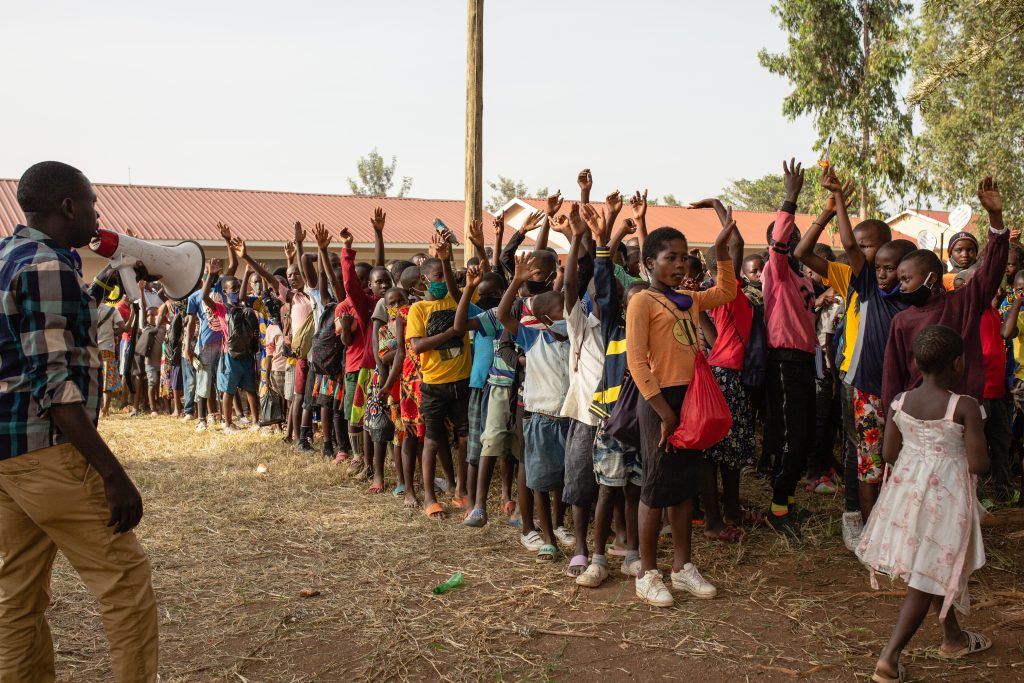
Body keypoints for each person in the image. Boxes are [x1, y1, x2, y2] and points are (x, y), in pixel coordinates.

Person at [0, 161, 157, 680]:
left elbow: (37, 334)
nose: (97, 213)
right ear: (68, 206)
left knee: (17, 596)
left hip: (8, 456)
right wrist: (111, 473)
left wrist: (106, 283)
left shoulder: (10, 257)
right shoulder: (49, 266)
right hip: (49, 453)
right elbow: (54, 382)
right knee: (125, 585)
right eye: (91, 202)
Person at [857, 325, 990, 683]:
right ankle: (889, 657)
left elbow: (888, 453)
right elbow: (979, 464)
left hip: (906, 494)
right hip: (945, 497)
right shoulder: (964, 406)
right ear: (958, 363)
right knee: (927, 572)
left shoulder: (901, 400)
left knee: (929, 563)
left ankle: (954, 638)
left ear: (915, 362)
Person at [626, 213, 738, 607]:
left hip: (690, 401)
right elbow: (637, 363)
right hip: (660, 402)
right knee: (655, 487)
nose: (678, 265)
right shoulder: (642, 301)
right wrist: (665, 412)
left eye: (682, 257)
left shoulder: (688, 299)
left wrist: (720, 253)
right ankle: (647, 573)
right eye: (669, 258)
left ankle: (682, 567)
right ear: (649, 263)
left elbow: (725, 292)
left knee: (685, 485)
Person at [882, 177, 1009, 412]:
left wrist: (995, 219)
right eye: (900, 281)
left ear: (931, 279)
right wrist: (893, 418)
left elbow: (991, 269)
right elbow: (892, 378)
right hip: (916, 414)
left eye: (907, 279)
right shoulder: (901, 321)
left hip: (961, 413)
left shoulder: (963, 303)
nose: (902, 287)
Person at [405, 234, 475, 519]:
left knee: (465, 438)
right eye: (436, 276)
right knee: (432, 441)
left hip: (462, 383)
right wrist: (451, 333)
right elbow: (418, 345)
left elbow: (462, 292)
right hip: (434, 385)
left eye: (445, 276)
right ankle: (430, 498)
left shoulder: (458, 299)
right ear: (423, 281)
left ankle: (460, 490)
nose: (443, 281)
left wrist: (447, 260)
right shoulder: (418, 310)